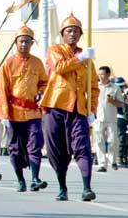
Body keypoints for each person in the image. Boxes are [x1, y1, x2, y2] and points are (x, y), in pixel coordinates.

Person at [39, 13, 99, 202]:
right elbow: (59, 67)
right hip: (56, 106)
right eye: (69, 31)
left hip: (78, 109)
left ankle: (87, 187)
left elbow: (94, 87)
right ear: (63, 34)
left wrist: (93, 110)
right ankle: (62, 186)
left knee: (83, 147)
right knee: (57, 150)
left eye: (76, 31)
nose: (73, 34)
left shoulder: (86, 58)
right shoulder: (54, 50)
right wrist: (80, 58)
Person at [0, 25, 49, 192]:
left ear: (32, 43)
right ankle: (20, 179)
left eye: (27, 41)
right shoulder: (8, 63)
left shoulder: (37, 62)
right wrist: (4, 115)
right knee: (15, 149)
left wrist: (41, 93)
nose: (24, 45)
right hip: (14, 112)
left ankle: (35, 178)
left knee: (35, 144)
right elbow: (3, 90)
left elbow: (44, 82)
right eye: (21, 41)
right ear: (15, 43)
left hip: (33, 111)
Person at [94, 66, 122, 172]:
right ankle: (102, 164)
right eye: (99, 74)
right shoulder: (95, 87)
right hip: (98, 118)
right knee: (99, 141)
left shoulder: (115, 88)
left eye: (102, 74)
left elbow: (121, 104)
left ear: (108, 75)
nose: (100, 76)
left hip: (111, 118)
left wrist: (112, 101)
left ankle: (113, 160)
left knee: (113, 140)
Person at [113, 77, 128, 168]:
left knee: (119, 139)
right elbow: (125, 110)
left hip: (115, 118)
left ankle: (122, 158)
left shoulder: (113, 94)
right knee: (122, 139)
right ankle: (120, 158)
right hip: (121, 119)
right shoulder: (122, 95)